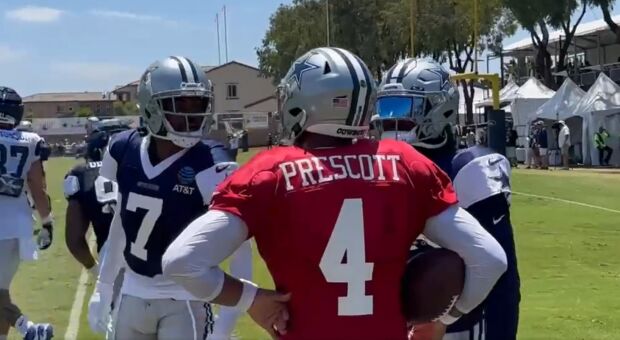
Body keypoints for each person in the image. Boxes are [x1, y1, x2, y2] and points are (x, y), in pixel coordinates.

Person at [161, 48, 507, 339]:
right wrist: (441, 319)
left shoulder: (269, 173)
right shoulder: (405, 164)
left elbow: (182, 262)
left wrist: (252, 299)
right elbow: (490, 260)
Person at [87, 56, 251, 340]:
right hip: (132, 291)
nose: (191, 116)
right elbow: (122, 224)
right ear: (152, 106)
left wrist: (226, 324)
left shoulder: (212, 163)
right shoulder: (123, 149)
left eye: (197, 104)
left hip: (186, 296)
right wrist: (103, 286)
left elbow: (240, 248)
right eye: (179, 105)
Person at [371, 58, 521, 340]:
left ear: (439, 108)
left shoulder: (468, 168)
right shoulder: (384, 168)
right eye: (384, 107)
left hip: (465, 327)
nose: (388, 118)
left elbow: (502, 276)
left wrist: (446, 321)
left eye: (401, 107)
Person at [0, 87, 54, 340]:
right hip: (16, 226)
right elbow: (37, 187)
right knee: (1, 290)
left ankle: (28, 328)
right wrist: (47, 222)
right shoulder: (30, 141)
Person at [63, 121, 130, 276]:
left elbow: (74, 240)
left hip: (113, 258)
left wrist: (94, 269)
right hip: (159, 258)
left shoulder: (82, 174)